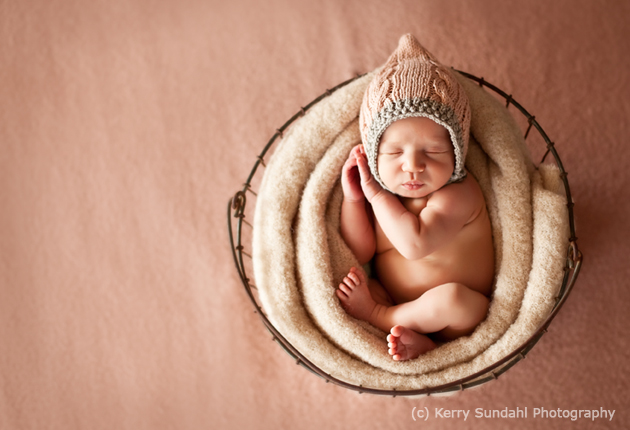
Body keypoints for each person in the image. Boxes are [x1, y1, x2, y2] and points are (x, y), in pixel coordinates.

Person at [337, 34, 495, 361]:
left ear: (457, 151)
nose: (413, 166)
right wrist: (353, 200)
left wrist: (376, 194)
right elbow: (361, 250)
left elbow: (414, 245)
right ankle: (421, 344)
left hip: (457, 317)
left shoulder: (458, 194)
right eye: (395, 152)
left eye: (434, 151)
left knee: (453, 300)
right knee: (368, 281)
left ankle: (378, 317)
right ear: (373, 153)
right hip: (396, 300)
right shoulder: (377, 196)